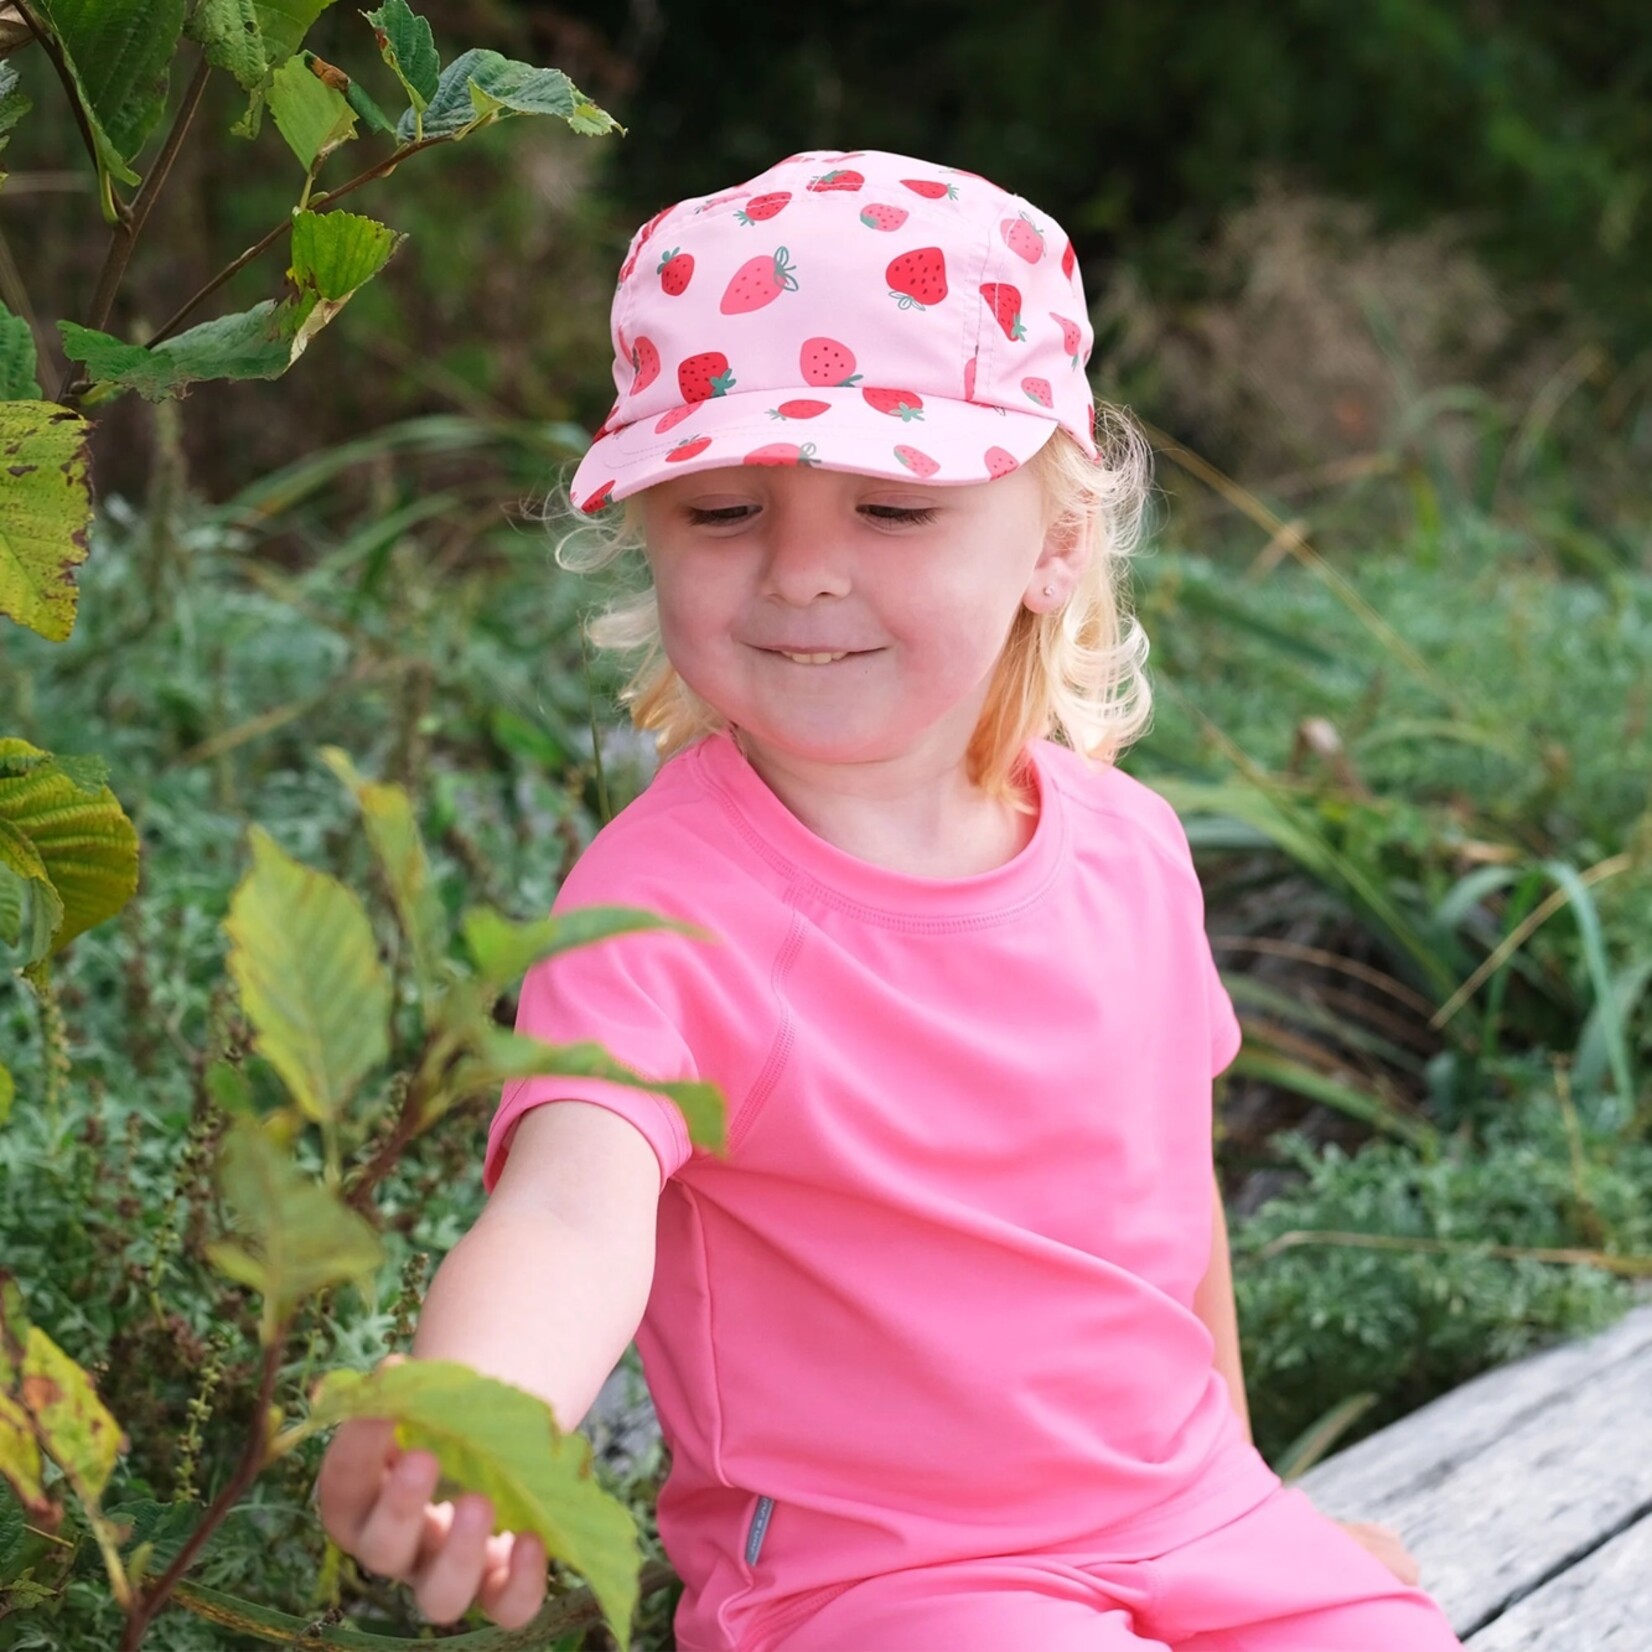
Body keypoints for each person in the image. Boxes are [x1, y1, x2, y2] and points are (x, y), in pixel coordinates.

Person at [315, 148, 1465, 1651]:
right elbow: (569, 1214)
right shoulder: (662, 911)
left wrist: (1250, 1502)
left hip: (1189, 1520)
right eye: (722, 510)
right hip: (889, 1584)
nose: (802, 573)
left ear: (1056, 542)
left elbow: (1173, 1223)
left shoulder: (1130, 850)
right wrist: (473, 1410)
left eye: (892, 509)